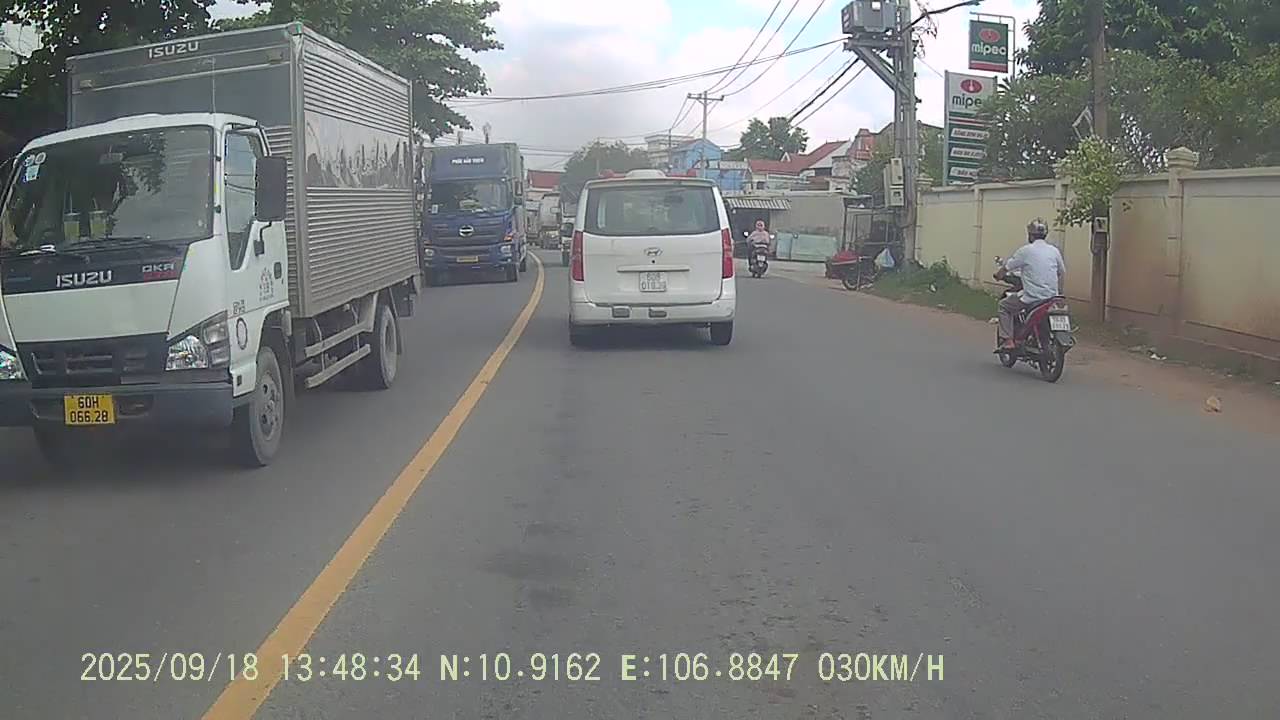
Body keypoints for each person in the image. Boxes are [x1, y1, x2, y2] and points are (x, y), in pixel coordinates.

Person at [996, 218, 1066, 350]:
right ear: (1045, 234)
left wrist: (998, 275)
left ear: (1030, 235)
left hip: (1032, 297)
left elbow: (1007, 267)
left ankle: (1008, 341)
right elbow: (1061, 271)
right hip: (1052, 298)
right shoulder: (1054, 251)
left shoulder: (1025, 251)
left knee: (1004, 306)